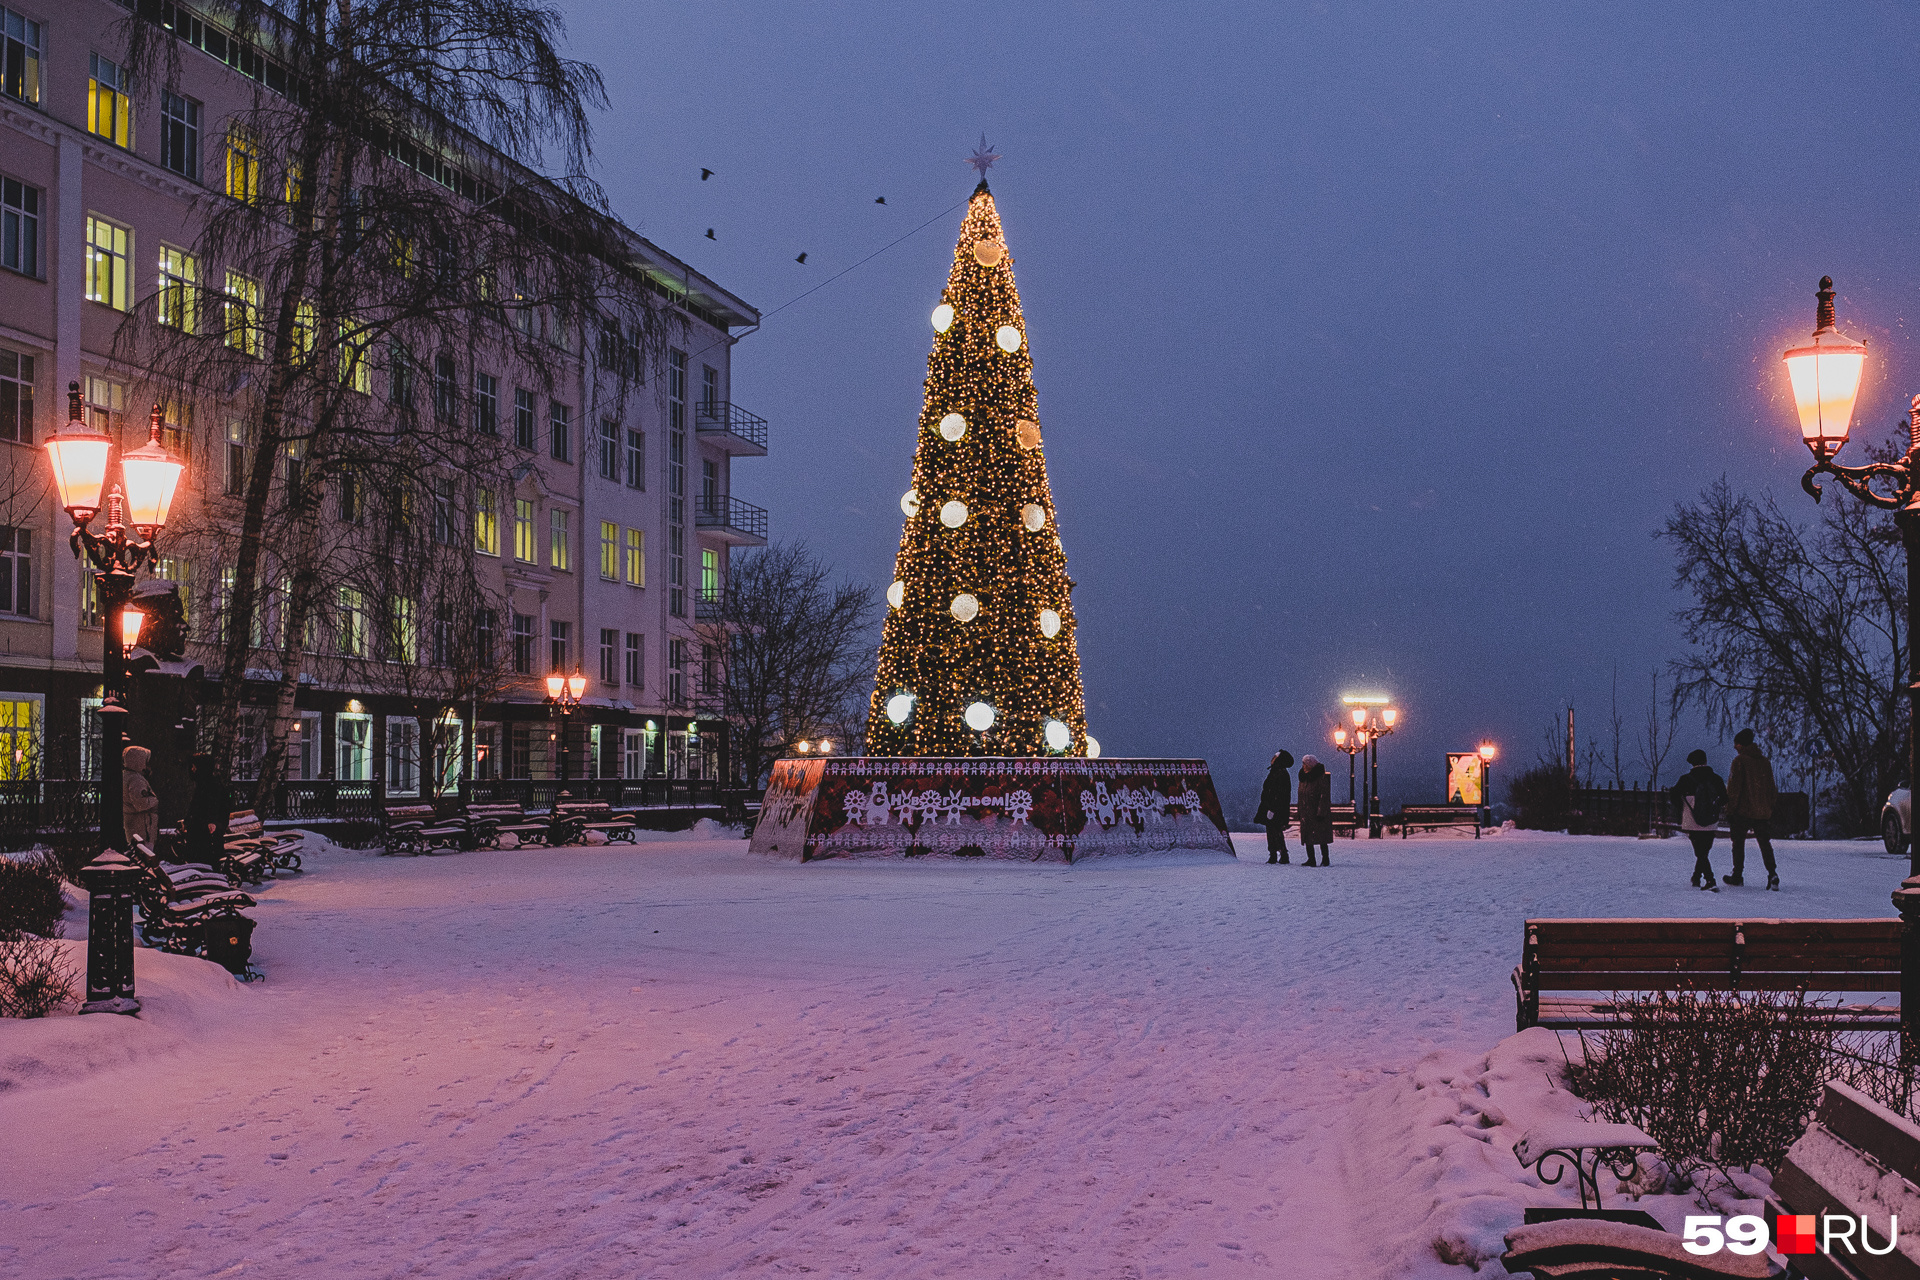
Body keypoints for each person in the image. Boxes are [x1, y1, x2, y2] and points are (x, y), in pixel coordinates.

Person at [1726, 728, 1780, 890]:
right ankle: (1772, 873)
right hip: (1762, 811)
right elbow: (1771, 787)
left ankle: (1737, 875)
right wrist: (1769, 806)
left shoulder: (1739, 761)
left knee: (1738, 843)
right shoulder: (1765, 762)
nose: (1735, 747)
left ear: (1741, 745)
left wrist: (1730, 809)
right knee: (1764, 843)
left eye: (1736, 744)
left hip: (1743, 811)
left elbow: (1734, 788)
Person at [1671, 748, 1727, 890]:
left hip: (1692, 819)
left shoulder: (1685, 779)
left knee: (1700, 852)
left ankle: (1710, 880)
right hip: (1711, 819)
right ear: (1705, 761)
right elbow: (1725, 798)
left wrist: (1684, 809)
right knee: (1704, 851)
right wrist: (1714, 806)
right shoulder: (1716, 779)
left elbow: (1674, 796)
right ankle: (1696, 876)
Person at [186, 752, 230, 866]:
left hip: (204, 837)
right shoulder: (207, 783)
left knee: (204, 865)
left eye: (194, 766)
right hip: (204, 836)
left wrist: (212, 822)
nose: (192, 769)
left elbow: (212, 808)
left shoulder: (208, 785)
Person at [1254, 750, 1295, 864]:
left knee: (1275, 830)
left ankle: (1282, 854)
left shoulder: (1281, 773)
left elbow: (1280, 793)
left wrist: (1273, 808)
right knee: (1272, 830)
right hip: (1271, 806)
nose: (1272, 759)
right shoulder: (1275, 772)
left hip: (1275, 808)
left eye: (1275, 757)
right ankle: (1275, 854)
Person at [1297, 754, 1333, 867]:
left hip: (1316, 813)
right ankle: (1311, 859)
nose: (1303, 766)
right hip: (1306, 812)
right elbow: (1301, 796)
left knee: (1321, 836)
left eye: (1305, 764)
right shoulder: (1303, 778)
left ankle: (1325, 858)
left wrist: (1321, 812)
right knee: (1308, 836)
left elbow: (1324, 796)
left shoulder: (1320, 778)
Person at [122, 743, 160, 850]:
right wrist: (154, 800)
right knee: (144, 852)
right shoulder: (136, 780)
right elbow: (141, 803)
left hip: (135, 826)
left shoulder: (126, 776)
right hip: (142, 828)